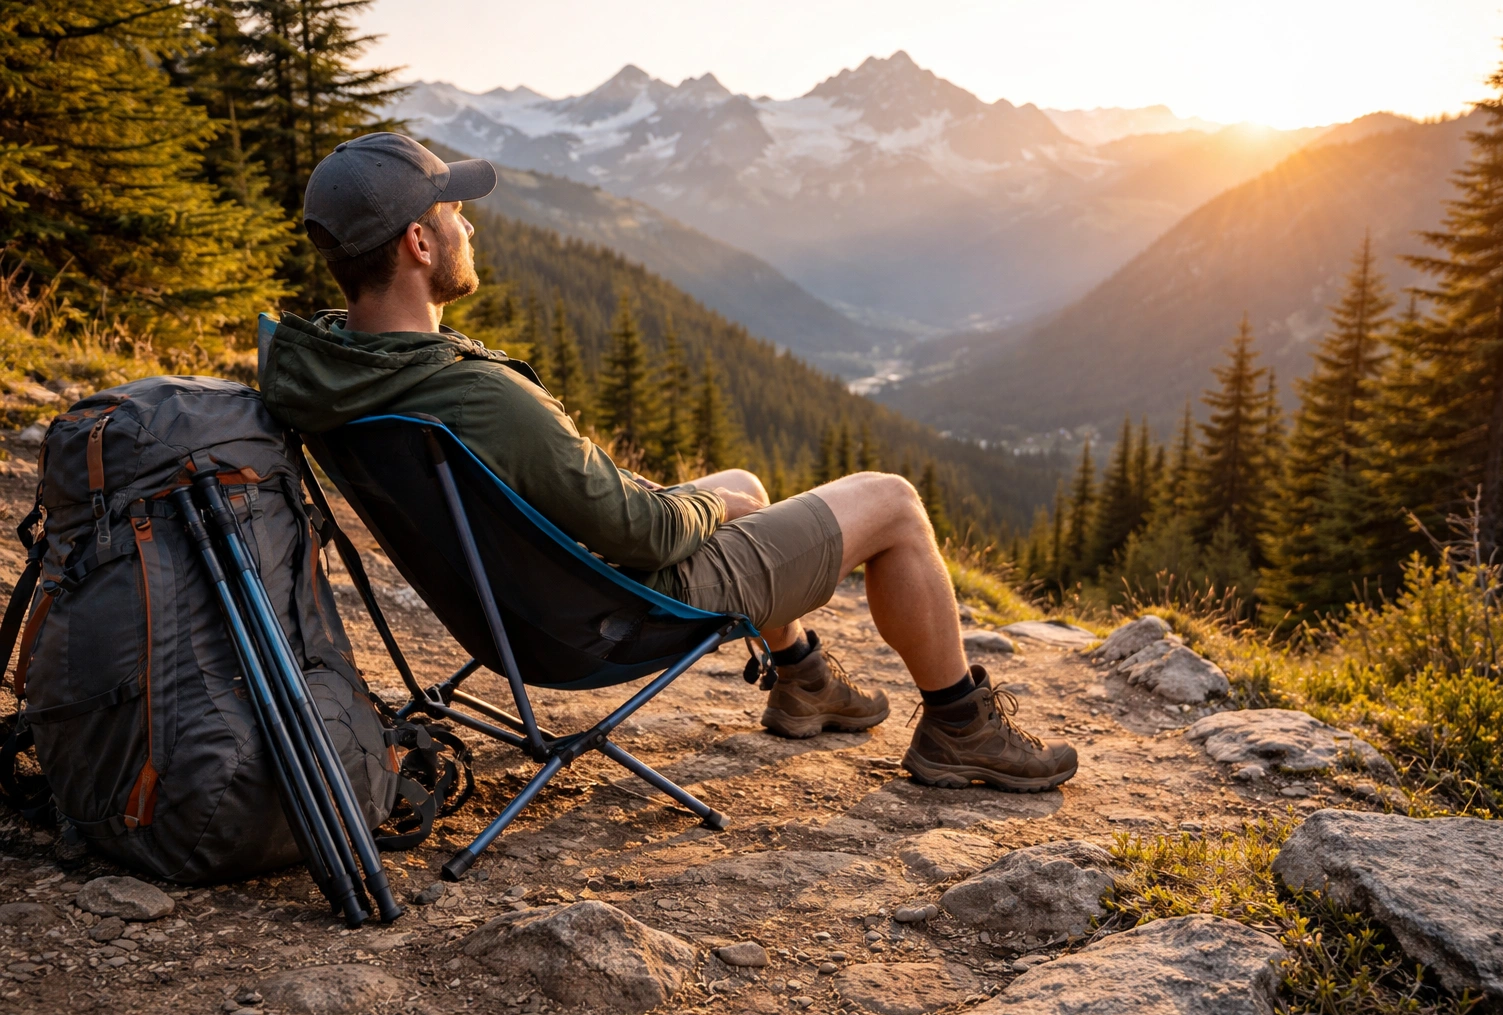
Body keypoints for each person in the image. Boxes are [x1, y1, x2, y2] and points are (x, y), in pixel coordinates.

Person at [261, 132, 1077, 793]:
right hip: (611, 613)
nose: (470, 228)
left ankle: (804, 682)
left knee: (744, 482)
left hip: (512, 618)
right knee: (892, 501)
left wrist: (711, 498)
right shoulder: (471, 394)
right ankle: (960, 727)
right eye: (454, 214)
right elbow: (645, 535)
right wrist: (713, 511)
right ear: (417, 242)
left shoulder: (336, 376)